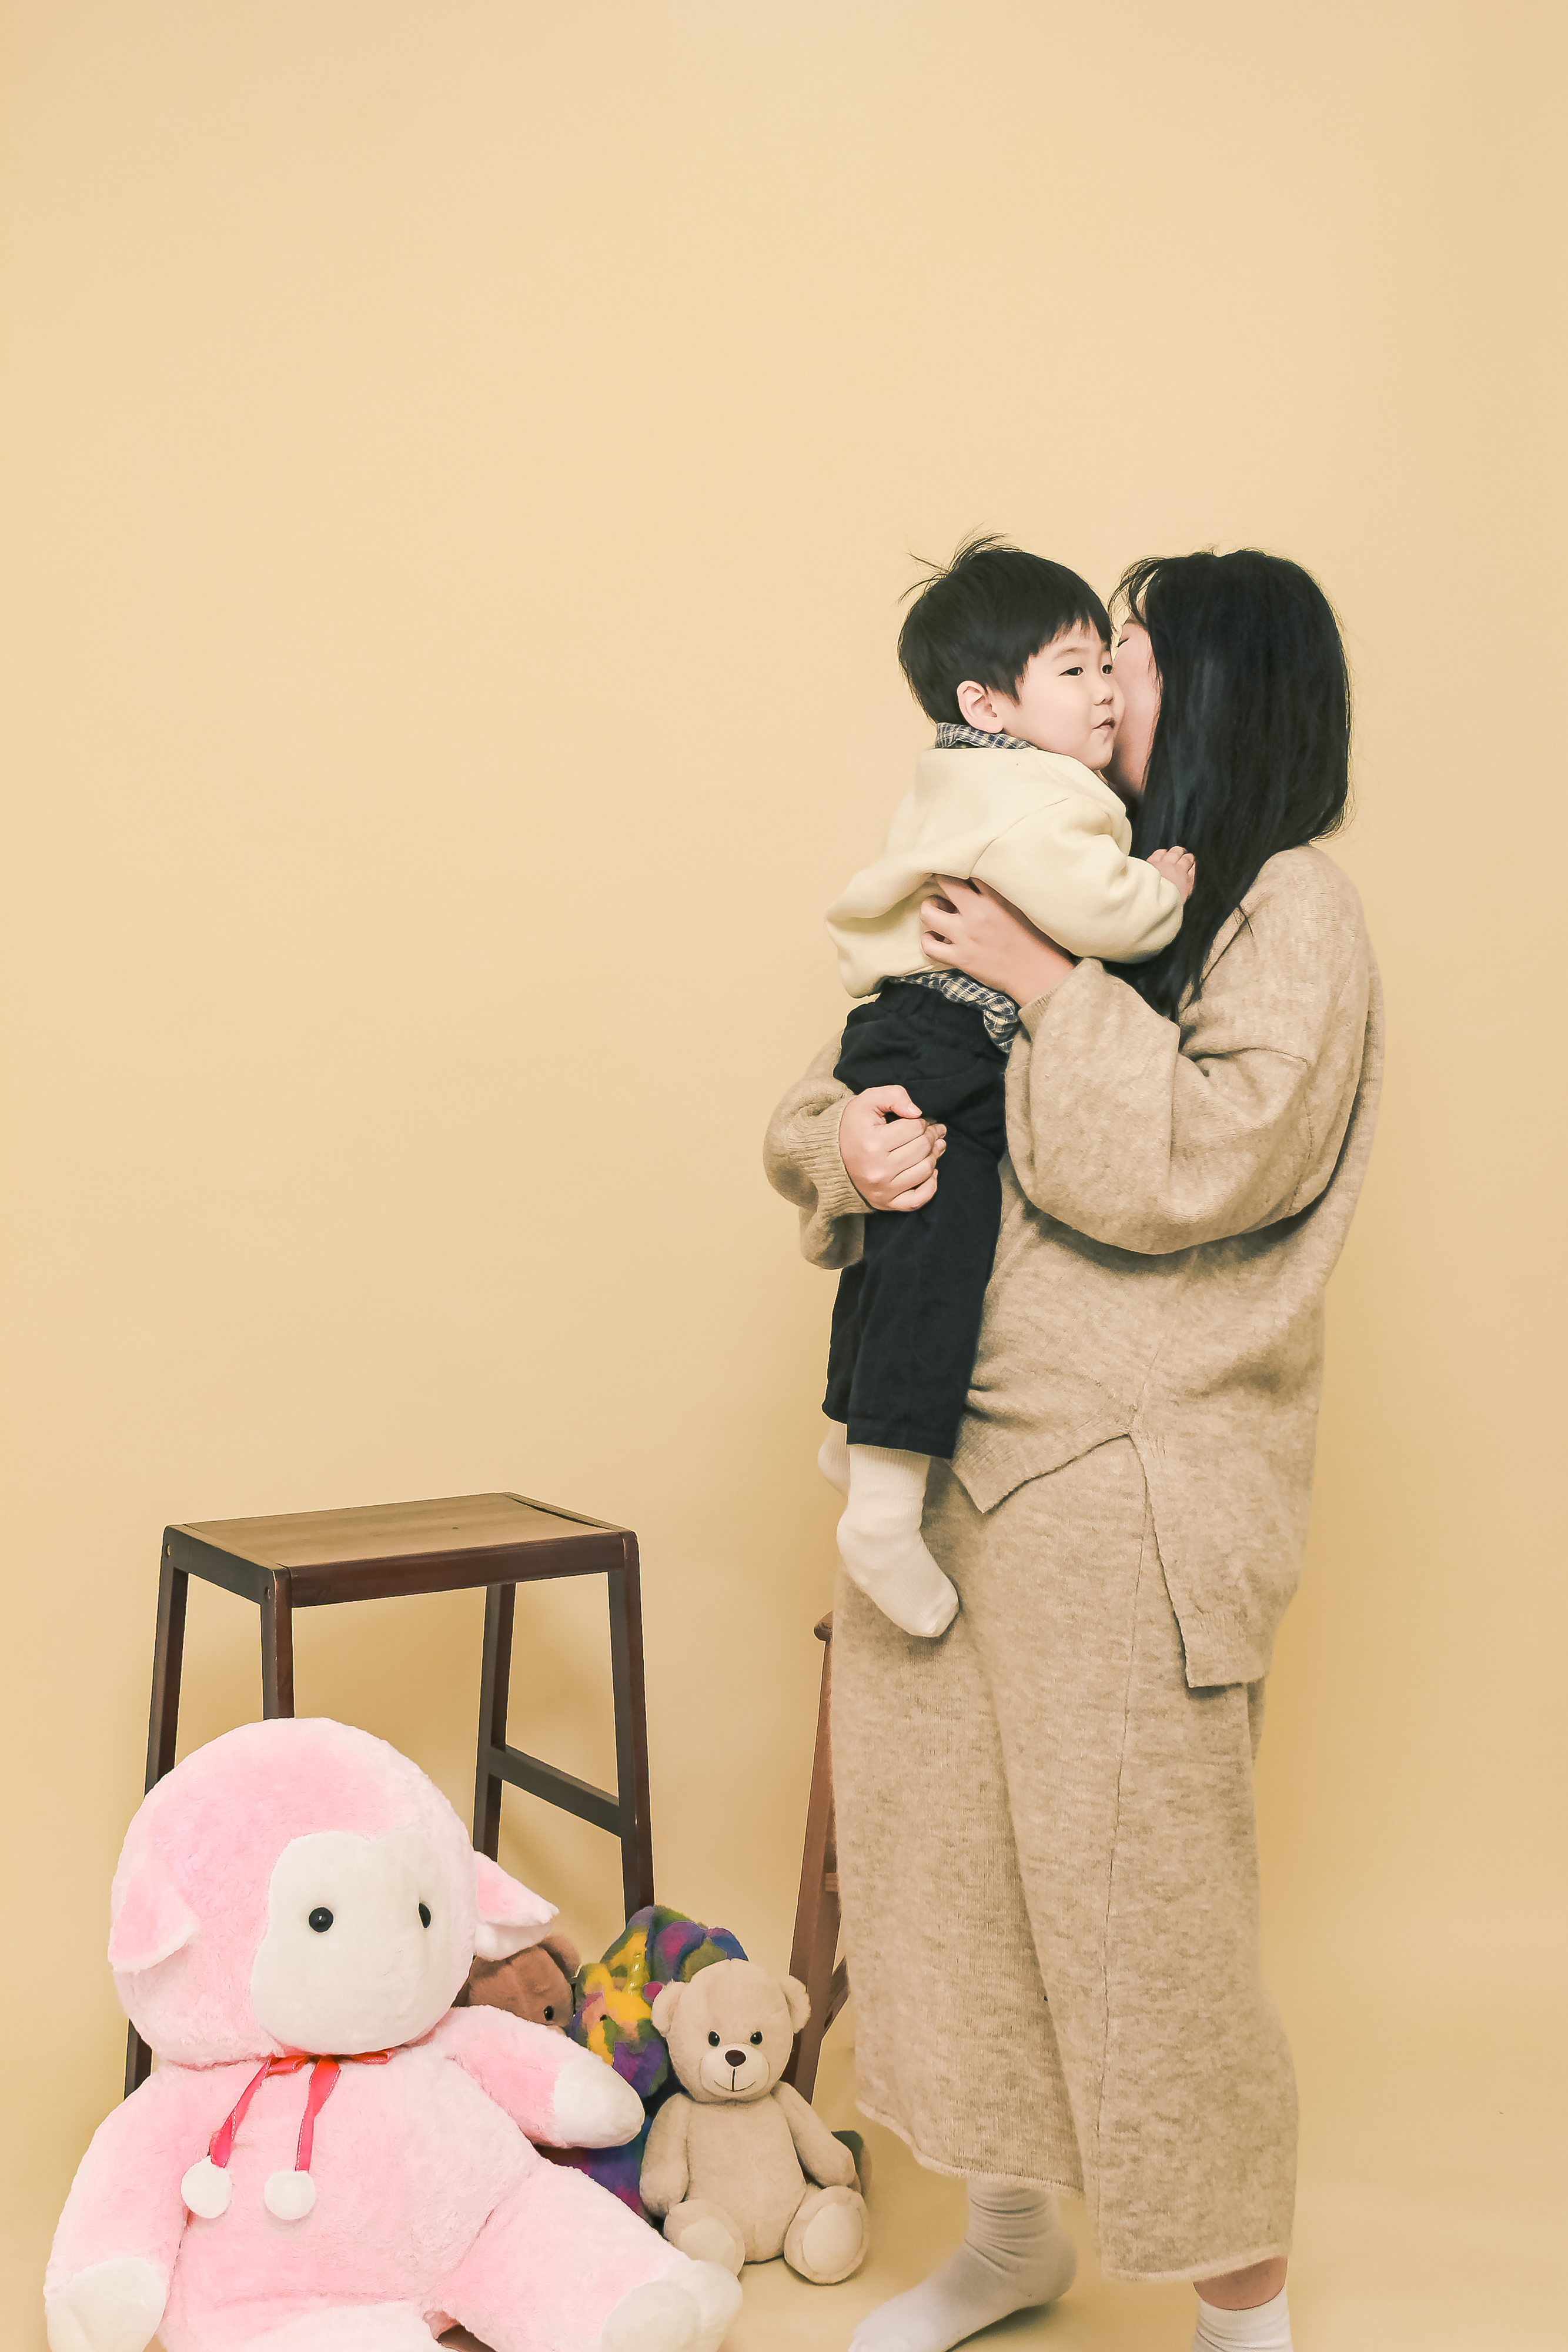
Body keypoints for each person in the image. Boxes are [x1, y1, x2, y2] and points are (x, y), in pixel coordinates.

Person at [764, 548, 1382, 2352]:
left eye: (1138, 656)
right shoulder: (1032, 839)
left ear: (1225, 688)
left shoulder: (1285, 909)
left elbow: (1193, 1164)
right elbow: (850, 1058)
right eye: (1094, 655)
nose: (1108, 682)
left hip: (1133, 1484)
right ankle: (1010, 2236)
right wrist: (840, 1142)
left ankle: (1242, 2312)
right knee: (943, 1874)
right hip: (945, 1458)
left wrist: (1045, 981)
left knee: (1142, 1917)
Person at [821, 537, 1192, 1641]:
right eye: (1074, 670)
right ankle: (884, 1508)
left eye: (1109, 665)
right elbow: (1102, 912)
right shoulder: (1033, 795)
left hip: (901, 1027)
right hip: (947, 1036)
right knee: (945, 1244)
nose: (1105, 693)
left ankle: (852, 1433)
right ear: (985, 704)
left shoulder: (968, 774)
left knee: (900, 1235)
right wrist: (1160, 890)